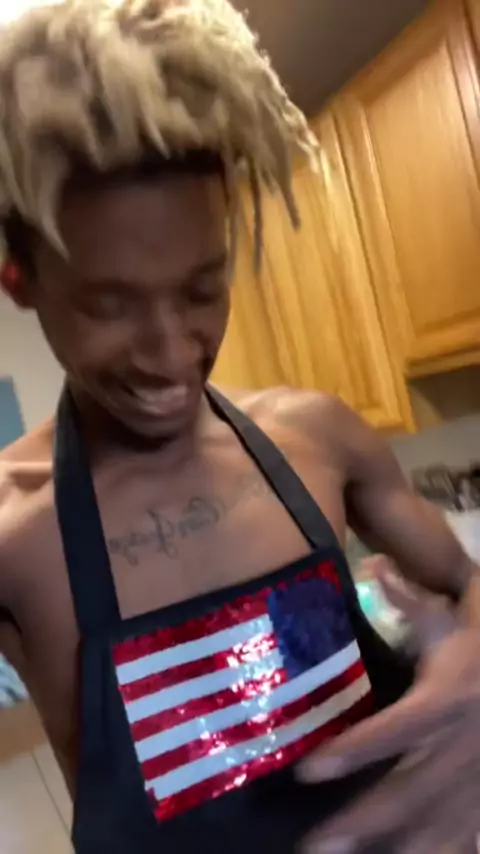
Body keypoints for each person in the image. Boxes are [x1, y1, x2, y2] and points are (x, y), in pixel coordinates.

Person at [0, 1, 479, 852]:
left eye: (201, 290)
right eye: (110, 305)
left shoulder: (318, 438)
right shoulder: (11, 534)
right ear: (20, 281)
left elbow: (465, 579)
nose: (172, 354)